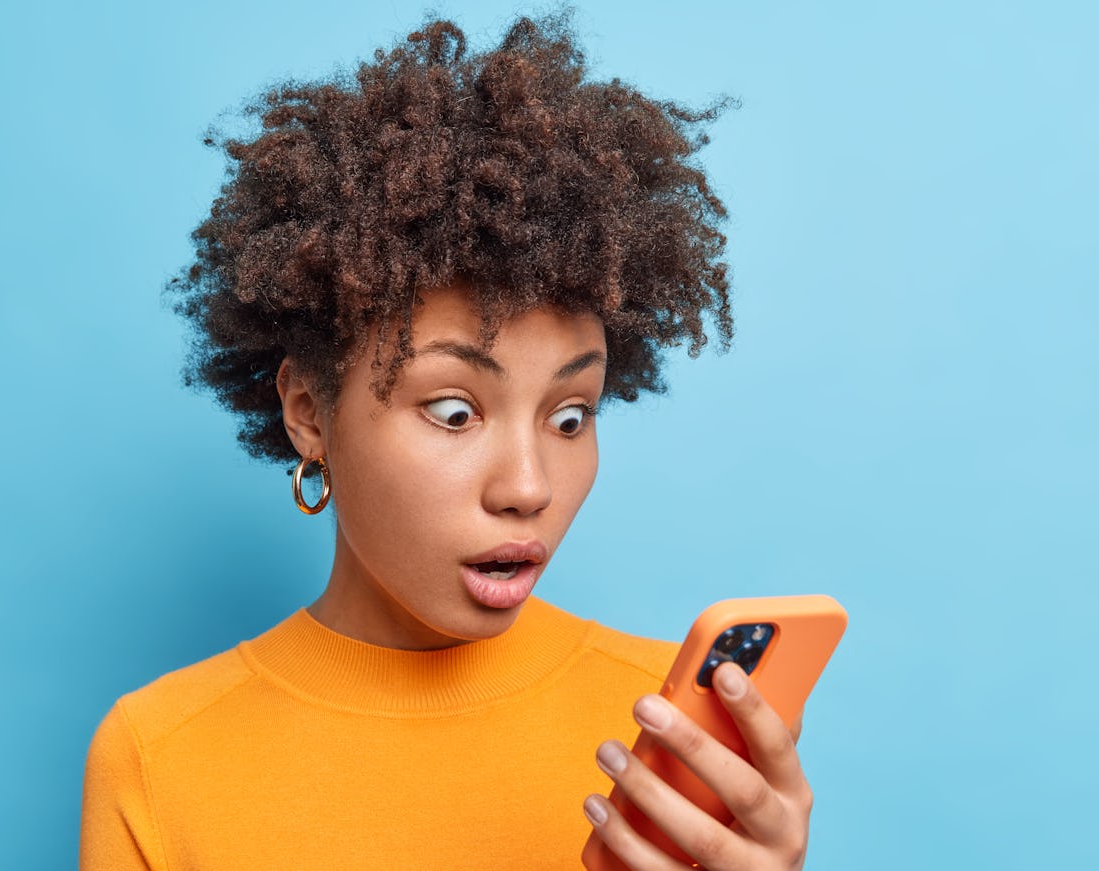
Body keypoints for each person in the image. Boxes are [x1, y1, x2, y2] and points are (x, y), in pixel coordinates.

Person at [80, 15, 815, 870]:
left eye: (571, 416)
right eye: (456, 411)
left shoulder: (671, 732)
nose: (529, 486)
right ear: (310, 410)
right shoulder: (162, 755)